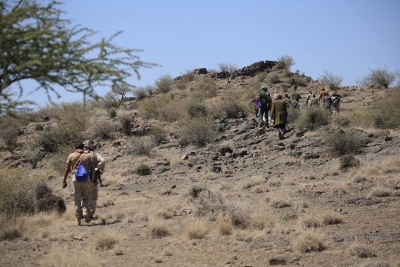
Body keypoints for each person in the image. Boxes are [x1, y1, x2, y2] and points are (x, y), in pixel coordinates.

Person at [62, 142, 94, 226]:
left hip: (75, 178)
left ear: (75, 148)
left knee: (77, 200)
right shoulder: (87, 156)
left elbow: (67, 169)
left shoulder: (71, 156)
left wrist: (64, 181)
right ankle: (85, 210)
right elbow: (92, 168)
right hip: (85, 178)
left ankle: (78, 221)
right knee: (86, 196)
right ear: (82, 148)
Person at [83, 140, 105, 219]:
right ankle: (91, 214)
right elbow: (103, 161)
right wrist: (98, 169)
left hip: (83, 178)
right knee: (94, 197)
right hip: (93, 178)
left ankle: (84, 211)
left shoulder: (82, 154)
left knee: (85, 196)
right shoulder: (96, 154)